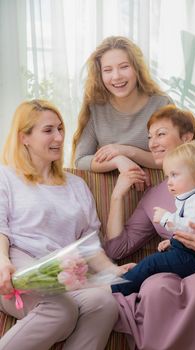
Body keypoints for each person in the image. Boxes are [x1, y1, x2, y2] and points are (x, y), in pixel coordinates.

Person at [0, 99, 131, 350]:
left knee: (104, 304)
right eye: (48, 130)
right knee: (60, 309)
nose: (59, 137)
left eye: (60, 129)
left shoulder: (76, 185)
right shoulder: (6, 176)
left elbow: (90, 245)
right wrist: (3, 262)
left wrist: (116, 273)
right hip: (19, 267)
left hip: (63, 275)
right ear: (24, 137)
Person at [105, 104, 195, 350]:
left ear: (187, 138)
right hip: (182, 264)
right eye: (150, 137)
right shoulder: (152, 196)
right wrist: (117, 196)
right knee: (154, 287)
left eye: (161, 134)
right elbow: (117, 249)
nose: (152, 143)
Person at [111, 142, 195, 296]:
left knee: (152, 263)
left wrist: (166, 218)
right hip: (194, 252)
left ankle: (115, 289)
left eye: (174, 175)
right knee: (153, 263)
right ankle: (125, 283)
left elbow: (194, 228)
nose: (169, 182)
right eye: (167, 176)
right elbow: (188, 231)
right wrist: (174, 241)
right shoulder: (192, 198)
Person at [71, 35, 172, 174]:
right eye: (107, 70)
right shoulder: (96, 107)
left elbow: (174, 158)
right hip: (113, 189)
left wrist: (128, 152)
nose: (116, 76)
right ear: (100, 75)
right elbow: (81, 160)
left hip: (159, 189)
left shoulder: (161, 104)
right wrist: (118, 160)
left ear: (137, 69)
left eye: (124, 67)